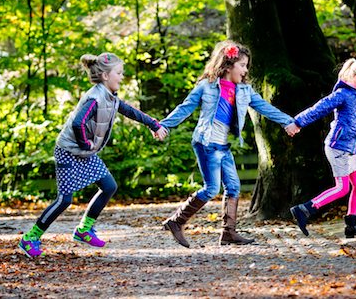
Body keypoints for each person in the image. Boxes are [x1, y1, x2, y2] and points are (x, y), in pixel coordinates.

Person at [18, 52, 168, 258]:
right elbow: (77, 123)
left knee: (109, 186)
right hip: (69, 151)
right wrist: (85, 143)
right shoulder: (95, 97)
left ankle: (83, 229)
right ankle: (30, 238)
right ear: (105, 76)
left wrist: (153, 124)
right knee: (64, 200)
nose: (122, 77)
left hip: (85, 152)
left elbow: (131, 111)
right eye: (119, 73)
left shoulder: (111, 97)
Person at [159, 40, 294, 247]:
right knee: (212, 188)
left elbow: (266, 108)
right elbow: (184, 108)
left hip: (222, 146)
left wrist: (289, 122)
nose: (246, 69)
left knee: (233, 187)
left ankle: (228, 232)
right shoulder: (206, 86)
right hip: (205, 143)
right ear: (228, 65)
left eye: (246, 65)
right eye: (243, 65)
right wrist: (163, 125)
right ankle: (176, 221)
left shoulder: (245, 91)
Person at [286, 58, 356, 239]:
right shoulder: (343, 94)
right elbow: (319, 108)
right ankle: (304, 210)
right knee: (342, 188)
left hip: (351, 149)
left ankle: (351, 226)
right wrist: (297, 122)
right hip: (337, 146)